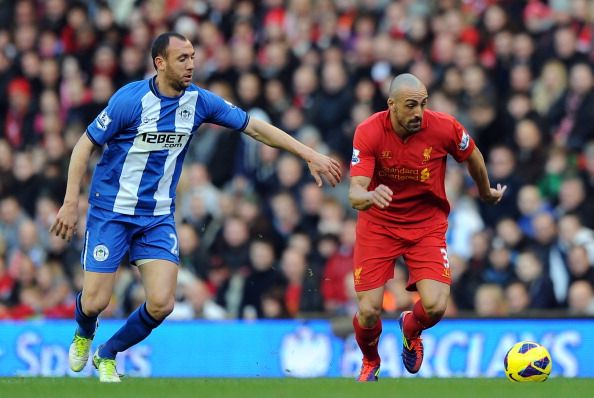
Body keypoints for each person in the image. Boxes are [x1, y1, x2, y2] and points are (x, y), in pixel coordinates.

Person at [49, 32, 342, 383]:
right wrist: (70, 203)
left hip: (156, 216)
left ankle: (108, 352)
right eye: (182, 58)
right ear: (160, 63)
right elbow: (84, 145)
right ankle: (84, 331)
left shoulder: (199, 102)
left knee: (162, 303)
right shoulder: (130, 100)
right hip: (110, 211)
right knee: (95, 302)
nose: (191, 64)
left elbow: (255, 128)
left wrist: (309, 154)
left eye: (192, 56)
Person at [348, 73, 506, 381]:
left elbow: (472, 155)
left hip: (426, 226)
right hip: (379, 224)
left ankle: (410, 328)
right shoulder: (368, 132)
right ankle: (370, 360)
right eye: (411, 105)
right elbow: (354, 191)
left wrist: (485, 191)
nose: (419, 112)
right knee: (369, 310)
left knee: (434, 306)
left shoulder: (444, 127)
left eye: (423, 104)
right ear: (391, 105)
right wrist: (368, 195)